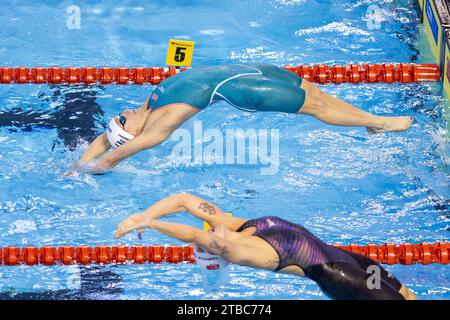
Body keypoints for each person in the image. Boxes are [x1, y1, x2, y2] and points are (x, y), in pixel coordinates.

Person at [76, 63, 413, 174]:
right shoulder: (157, 129)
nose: (120, 115)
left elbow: (107, 140)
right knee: (316, 107)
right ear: (133, 134)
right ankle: (380, 123)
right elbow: (118, 151)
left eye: (116, 118)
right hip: (246, 90)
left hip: (248, 72)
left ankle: (372, 121)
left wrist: (78, 163)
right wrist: (93, 171)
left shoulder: (146, 106)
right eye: (122, 121)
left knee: (315, 92)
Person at [114, 193, 417, 300]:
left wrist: (146, 214)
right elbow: (199, 237)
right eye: (210, 233)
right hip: (341, 277)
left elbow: (183, 199)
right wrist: (152, 226)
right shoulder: (237, 249)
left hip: (353, 261)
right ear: (215, 250)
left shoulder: (241, 226)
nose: (212, 223)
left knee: (405, 294)